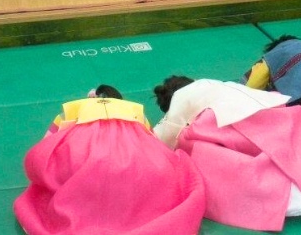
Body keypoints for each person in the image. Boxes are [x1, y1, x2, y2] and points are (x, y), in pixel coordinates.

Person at [153, 76, 301, 232]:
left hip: (269, 192)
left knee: (196, 154)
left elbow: (164, 142)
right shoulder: (219, 85)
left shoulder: (178, 113)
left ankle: (289, 191)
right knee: (282, 125)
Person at [13, 84, 206, 235]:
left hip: (84, 167)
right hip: (136, 169)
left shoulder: (71, 110)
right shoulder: (135, 112)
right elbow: (152, 142)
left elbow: (47, 144)